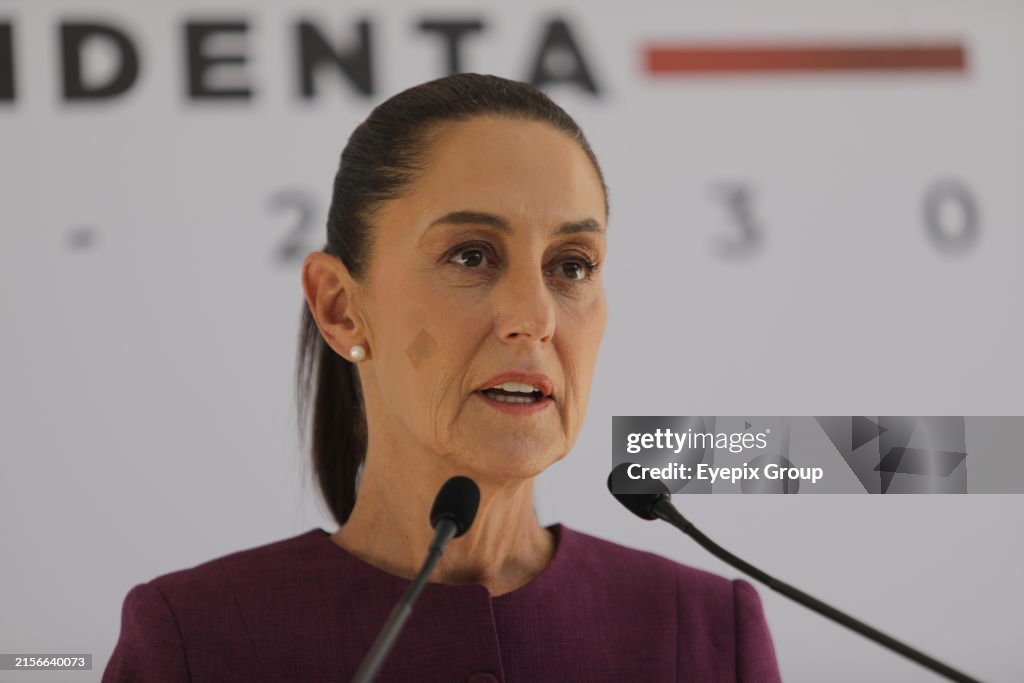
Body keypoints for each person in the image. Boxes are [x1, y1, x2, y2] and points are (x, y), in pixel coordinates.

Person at [103, 72, 782, 682]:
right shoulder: (194, 639)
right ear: (340, 308)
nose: (535, 318)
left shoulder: (708, 630)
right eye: (471, 255)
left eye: (572, 265)